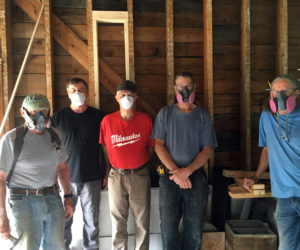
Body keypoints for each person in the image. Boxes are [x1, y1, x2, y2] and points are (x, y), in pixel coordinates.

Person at [151, 72, 218, 250]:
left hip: (195, 178)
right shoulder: (165, 114)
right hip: (170, 178)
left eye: (188, 86)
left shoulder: (203, 116)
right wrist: (177, 172)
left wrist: (186, 171)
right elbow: (158, 145)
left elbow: (207, 149)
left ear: (194, 88)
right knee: (168, 229)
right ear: (175, 89)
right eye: (181, 86)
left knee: (194, 230)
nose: (185, 90)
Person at [0, 94, 73, 250]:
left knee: (57, 246)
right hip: (22, 201)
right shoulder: (12, 139)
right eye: (34, 112)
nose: (39, 116)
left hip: (52, 198)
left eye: (43, 111)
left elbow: (62, 168)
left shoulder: (54, 136)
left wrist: (67, 197)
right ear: (23, 112)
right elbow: (1, 178)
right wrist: (2, 215)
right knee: (27, 246)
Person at [243, 75, 300, 250]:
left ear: (296, 94)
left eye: (284, 92)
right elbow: (267, 149)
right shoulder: (266, 117)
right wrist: (257, 176)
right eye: (275, 92)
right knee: (286, 247)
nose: (279, 97)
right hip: (283, 195)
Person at [99, 80, 154, 250]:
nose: (126, 98)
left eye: (130, 95)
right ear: (116, 97)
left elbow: (151, 147)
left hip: (139, 175)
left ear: (136, 97)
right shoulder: (107, 121)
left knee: (142, 222)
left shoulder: (145, 120)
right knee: (117, 222)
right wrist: (109, 171)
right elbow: (105, 147)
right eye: (123, 95)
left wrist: (139, 163)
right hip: (116, 176)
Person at [52, 78, 105, 250]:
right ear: (68, 94)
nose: (77, 93)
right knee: (64, 221)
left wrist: (107, 172)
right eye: (73, 90)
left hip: (92, 178)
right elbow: (49, 150)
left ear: (87, 92)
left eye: (81, 90)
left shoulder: (98, 117)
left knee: (92, 223)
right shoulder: (58, 118)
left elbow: (106, 147)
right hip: (65, 180)